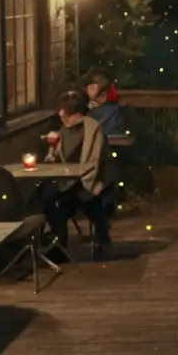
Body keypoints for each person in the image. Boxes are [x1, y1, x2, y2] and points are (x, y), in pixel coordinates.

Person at [40, 90, 117, 257]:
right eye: (61, 110)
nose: (61, 114)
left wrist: (76, 179)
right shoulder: (62, 130)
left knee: (81, 201)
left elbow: (95, 162)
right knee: (46, 199)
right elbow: (53, 161)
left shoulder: (92, 129)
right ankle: (59, 243)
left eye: (66, 112)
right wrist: (52, 147)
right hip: (66, 182)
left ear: (79, 113)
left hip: (90, 181)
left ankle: (100, 234)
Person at [84, 69, 127, 137]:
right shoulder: (84, 107)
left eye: (92, 86)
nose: (88, 88)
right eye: (88, 85)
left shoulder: (115, 110)